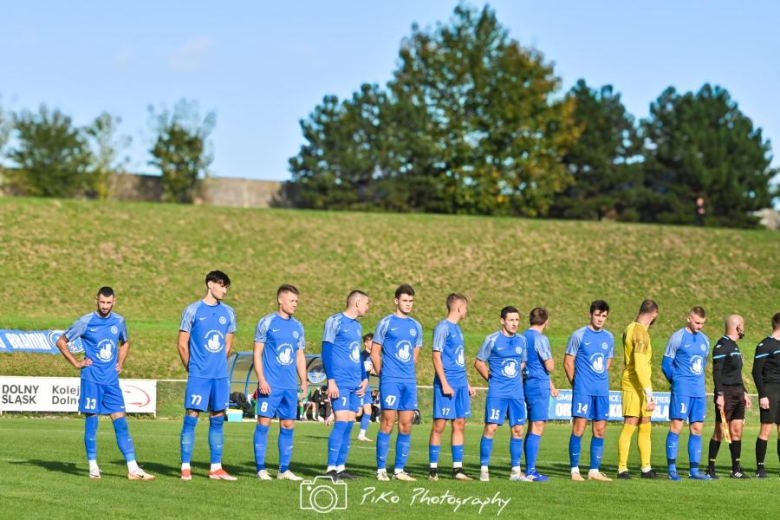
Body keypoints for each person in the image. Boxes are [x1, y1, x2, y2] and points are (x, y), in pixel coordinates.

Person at [55, 286, 155, 481]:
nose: (105, 306)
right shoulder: (85, 321)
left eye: (109, 303)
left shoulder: (119, 321)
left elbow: (124, 342)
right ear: (96, 300)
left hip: (111, 381)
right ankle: (93, 466)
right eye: (102, 302)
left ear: (114, 301)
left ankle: (133, 468)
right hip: (91, 378)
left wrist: (121, 362)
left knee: (121, 423)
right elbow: (61, 341)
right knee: (92, 422)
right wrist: (76, 362)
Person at [177, 270, 237, 481]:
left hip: (220, 376)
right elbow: (182, 345)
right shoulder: (192, 310)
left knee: (218, 418)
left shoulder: (229, 312)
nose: (224, 290)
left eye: (226, 286)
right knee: (191, 417)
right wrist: (192, 368)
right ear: (210, 284)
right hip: (199, 375)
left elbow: (228, 344)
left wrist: (217, 364)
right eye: (221, 285)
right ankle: (185, 467)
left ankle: (216, 468)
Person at [252, 284, 307, 481]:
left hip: (289, 386)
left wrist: (304, 382)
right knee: (264, 423)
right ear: (280, 300)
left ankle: (284, 470)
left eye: (296, 302)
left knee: (288, 425)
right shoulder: (266, 323)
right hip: (270, 384)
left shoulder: (298, 326)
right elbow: (257, 353)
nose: (295, 305)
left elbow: (300, 356)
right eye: (292, 301)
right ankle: (260, 469)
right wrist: (261, 379)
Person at [371, 284, 423, 482]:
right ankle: (381, 469)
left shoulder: (416, 326)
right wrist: (383, 373)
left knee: (406, 425)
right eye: (404, 301)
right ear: (396, 301)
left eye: (411, 301)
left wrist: (405, 371)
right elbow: (375, 352)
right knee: (387, 423)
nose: (408, 304)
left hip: (408, 381)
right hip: (390, 380)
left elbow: (415, 355)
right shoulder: (386, 323)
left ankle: (399, 470)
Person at [474, 306, 527, 482]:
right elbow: (479, 362)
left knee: (518, 430)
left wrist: (513, 376)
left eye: (517, 320)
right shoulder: (492, 340)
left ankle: (515, 471)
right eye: (511, 320)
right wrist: (491, 378)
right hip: (497, 392)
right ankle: (484, 469)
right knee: (491, 428)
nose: (514, 323)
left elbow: (522, 363)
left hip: (516, 393)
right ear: (502, 321)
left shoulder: (522, 341)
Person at [322, 290, 371, 481]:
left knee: (350, 424)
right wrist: (331, 380)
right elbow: (326, 351)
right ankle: (330, 469)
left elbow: (356, 355)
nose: (367, 307)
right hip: (340, 381)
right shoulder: (334, 321)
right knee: (341, 422)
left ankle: (341, 467)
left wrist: (363, 377)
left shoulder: (357, 327)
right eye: (366, 303)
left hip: (354, 383)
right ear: (357, 303)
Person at [564, 300, 614, 482]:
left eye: (604, 316)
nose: (600, 319)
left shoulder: (609, 337)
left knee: (600, 430)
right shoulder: (579, 335)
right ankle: (574, 470)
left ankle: (594, 471)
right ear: (590, 314)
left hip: (601, 390)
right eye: (597, 315)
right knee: (579, 428)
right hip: (583, 390)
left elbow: (608, 362)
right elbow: (568, 362)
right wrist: (577, 385)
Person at [428, 293, 476, 481]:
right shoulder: (442, 328)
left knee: (460, 424)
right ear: (458, 308)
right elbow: (436, 356)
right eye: (465, 308)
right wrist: (445, 384)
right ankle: (433, 470)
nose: (466, 311)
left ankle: (457, 469)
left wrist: (467, 384)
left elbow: (458, 359)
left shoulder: (457, 330)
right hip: (446, 384)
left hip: (460, 384)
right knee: (439, 425)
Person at [663, 306, 712, 481]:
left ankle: (694, 471)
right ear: (689, 319)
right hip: (682, 390)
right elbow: (666, 364)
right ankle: (672, 469)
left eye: (703, 323)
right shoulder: (677, 337)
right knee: (676, 426)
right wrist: (676, 382)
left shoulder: (705, 340)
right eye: (697, 322)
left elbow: (703, 363)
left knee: (697, 428)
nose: (700, 326)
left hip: (698, 391)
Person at [617, 300, 659, 479]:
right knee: (631, 424)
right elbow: (640, 365)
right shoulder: (640, 333)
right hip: (634, 384)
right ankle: (622, 469)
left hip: (640, 384)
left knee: (645, 424)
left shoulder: (630, 328)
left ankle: (646, 468)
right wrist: (649, 393)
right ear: (654, 314)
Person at [705, 314, 752, 479]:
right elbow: (716, 373)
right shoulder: (721, 346)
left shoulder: (735, 346)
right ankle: (710, 468)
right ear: (738, 327)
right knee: (720, 431)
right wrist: (719, 394)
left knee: (737, 431)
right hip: (726, 393)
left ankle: (736, 469)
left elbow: (736, 373)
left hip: (738, 392)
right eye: (743, 325)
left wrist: (744, 392)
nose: (744, 329)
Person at [523, 307, 559, 482]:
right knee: (537, 426)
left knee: (532, 426)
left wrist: (551, 384)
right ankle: (530, 470)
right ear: (546, 321)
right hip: (538, 386)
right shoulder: (540, 339)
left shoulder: (522, 336)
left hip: (528, 383)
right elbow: (549, 366)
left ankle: (527, 468)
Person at [752, 312, 780, 478]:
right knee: (766, 430)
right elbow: (756, 372)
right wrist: (762, 395)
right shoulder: (765, 345)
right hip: (769, 390)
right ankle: (760, 468)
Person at [357, 333, 376, 442]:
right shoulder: (361, 356)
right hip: (359, 385)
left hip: (367, 386)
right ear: (366, 343)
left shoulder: (373, 356)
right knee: (358, 412)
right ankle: (334, 415)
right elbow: (356, 370)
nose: (373, 343)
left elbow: (373, 371)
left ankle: (361, 435)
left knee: (368, 410)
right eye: (371, 341)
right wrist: (364, 369)